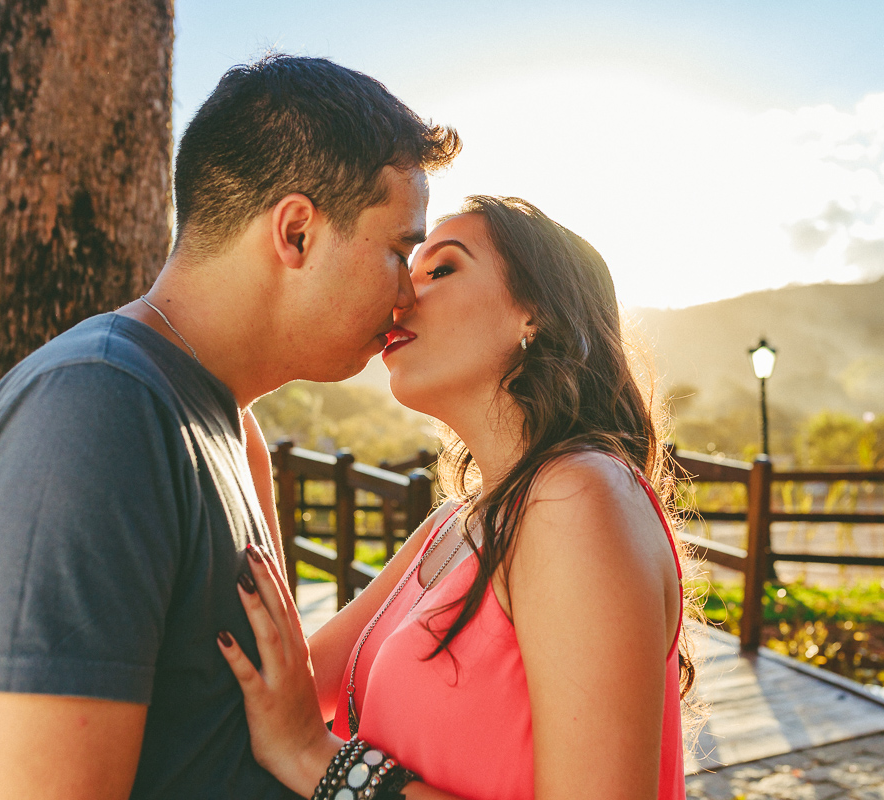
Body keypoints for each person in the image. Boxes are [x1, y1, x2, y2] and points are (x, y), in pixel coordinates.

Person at [0, 55, 459, 799]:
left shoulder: (224, 428)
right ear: (296, 233)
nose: (407, 290)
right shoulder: (97, 408)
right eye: (398, 250)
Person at [218, 196, 696, 799]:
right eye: (404, 269)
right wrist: (242, 397)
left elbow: (300, 736)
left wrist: (321, 761)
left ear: (535, 313)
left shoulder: (580, 496)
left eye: (440, 270)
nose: (400, 297)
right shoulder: (453, 524)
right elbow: (290, 686)